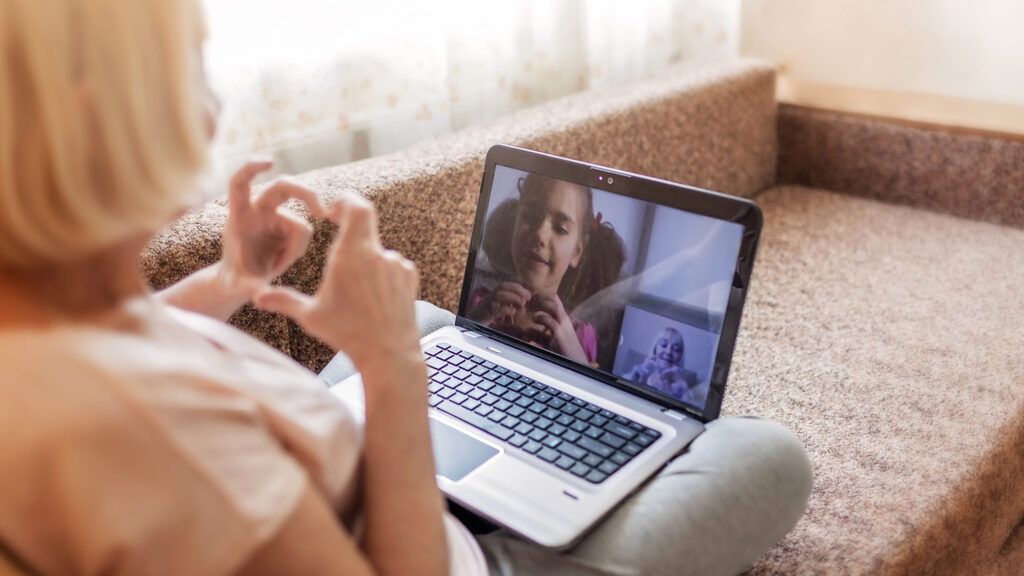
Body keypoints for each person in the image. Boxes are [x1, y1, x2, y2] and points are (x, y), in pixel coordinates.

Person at [0, 1, 812, 575]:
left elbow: (124, 335)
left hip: (355, 475)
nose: (211, 111)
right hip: (451, 553)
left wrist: (231, 280)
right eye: (188, 67)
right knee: (766, 455)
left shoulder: (39, 326)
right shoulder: (163, 442)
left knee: (433, 320)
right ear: (100, 116)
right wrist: (391, 368)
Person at [466, 174, 625, 367]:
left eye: (560, 228)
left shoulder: (579, 336)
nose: (540, 234)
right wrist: (478, 319)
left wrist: (576, 360)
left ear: (576, 252)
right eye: (530, 217)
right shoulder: (482, 304)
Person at [625, 327, 700, 401]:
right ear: (655, 350)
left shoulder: (682, 389)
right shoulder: (640, 374)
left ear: (680, 358)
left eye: (676, 349)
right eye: (664, 345)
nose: (668, 352)